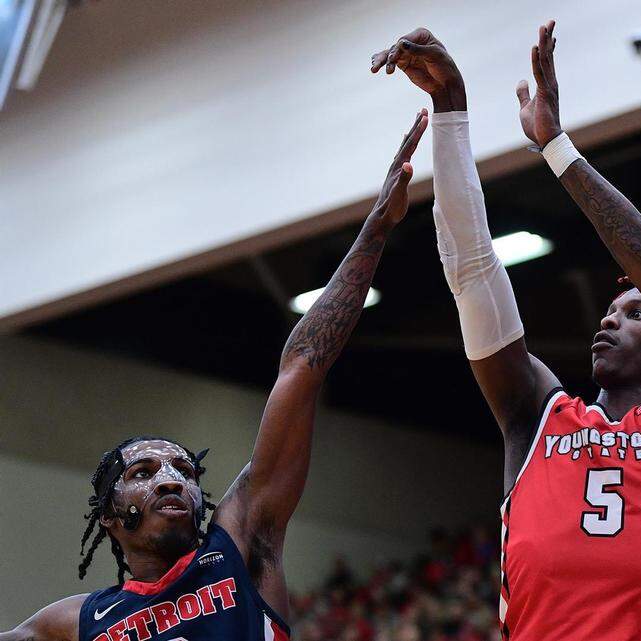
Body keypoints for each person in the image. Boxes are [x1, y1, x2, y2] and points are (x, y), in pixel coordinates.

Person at [0, 110, 430, 641]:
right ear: (110, 516)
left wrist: (375, 231)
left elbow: (301, 368)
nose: (170, 478)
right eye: (143, 472)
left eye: (183, 468)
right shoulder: (76, 623)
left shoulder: (243, 542)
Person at [375, 20, 641, 641]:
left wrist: (556, 147)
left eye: (633, 314)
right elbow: (471, 271)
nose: (608, 318)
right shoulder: (536, 414)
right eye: (609, 311)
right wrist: (451, 110)